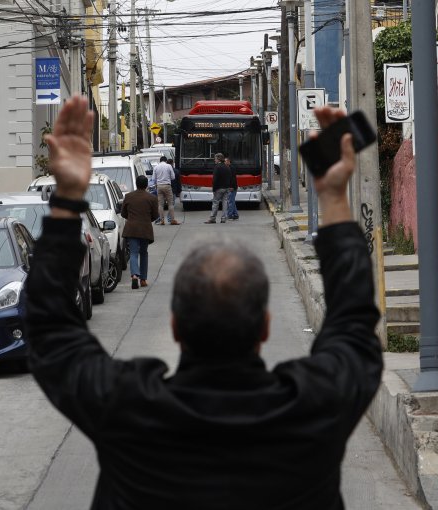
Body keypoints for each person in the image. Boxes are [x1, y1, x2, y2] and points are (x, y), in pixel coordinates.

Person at [27, 96, 382, 509]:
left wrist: (69, 196)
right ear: (265, 326)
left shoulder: (129, 410)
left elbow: (49, 331)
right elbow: (355, 325)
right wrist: (335, 198)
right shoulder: (310, 409)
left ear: (175, 326)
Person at [120, 174, 159, 288]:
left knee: (133, 253)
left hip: (131, 229)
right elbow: (155, 215)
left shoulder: (128, 196)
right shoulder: (152, 198)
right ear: (147, 185)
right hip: (145, 229)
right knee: (144, 253)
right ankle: (143, 279)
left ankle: (134, 276)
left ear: (136, 184)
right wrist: (146, 220)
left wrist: (132, 219)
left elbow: (123, 213)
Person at [153, 156, 180, 225]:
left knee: (160, 205)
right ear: (165, 161)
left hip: (159, 186)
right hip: (167, 186)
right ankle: (172, 220)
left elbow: (153, 179)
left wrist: (158, 182)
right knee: (170, 204)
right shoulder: (168, 166)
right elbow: (173, 177)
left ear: (160, 161)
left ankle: (162, 220)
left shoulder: (156, 167)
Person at [205, 153, 231, 224]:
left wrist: (214, 189)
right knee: (225, 203)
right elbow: (229, 178)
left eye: (215, 158)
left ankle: (212, 218)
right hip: (226, 188)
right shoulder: (227, 167)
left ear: (218, 159)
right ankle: (223, 219)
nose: (214, 160)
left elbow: (215, 179)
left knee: (215, 203)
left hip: (219, 188)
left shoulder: (217, 167)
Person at [225, 156, 240, 221]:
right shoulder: (228, 168)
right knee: (232, 201)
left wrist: (231, 187)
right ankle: (236, 215)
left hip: (232, 187)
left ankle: (230, 215)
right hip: (231, 187)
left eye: (225, 161)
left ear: (228, 161)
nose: (224, 162)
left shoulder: (231, 168)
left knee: (230, 202)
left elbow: (232, 179)